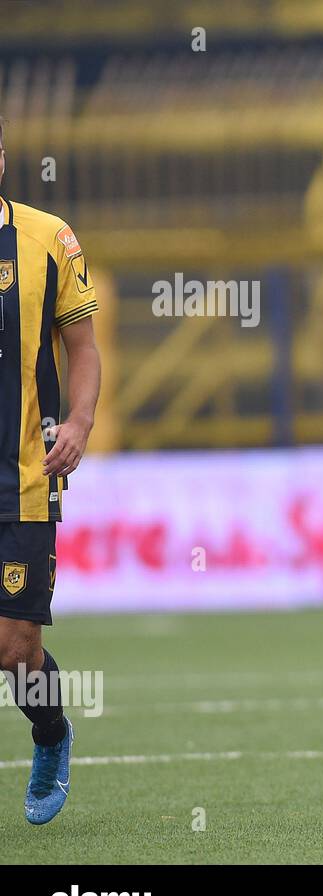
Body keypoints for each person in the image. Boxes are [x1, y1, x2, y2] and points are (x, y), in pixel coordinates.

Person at [0, 117, 103, 822]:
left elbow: (84, 348)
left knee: (14, 648)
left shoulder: (46, 238)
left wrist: (81, 422)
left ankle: (51, 730)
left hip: (24, 477)